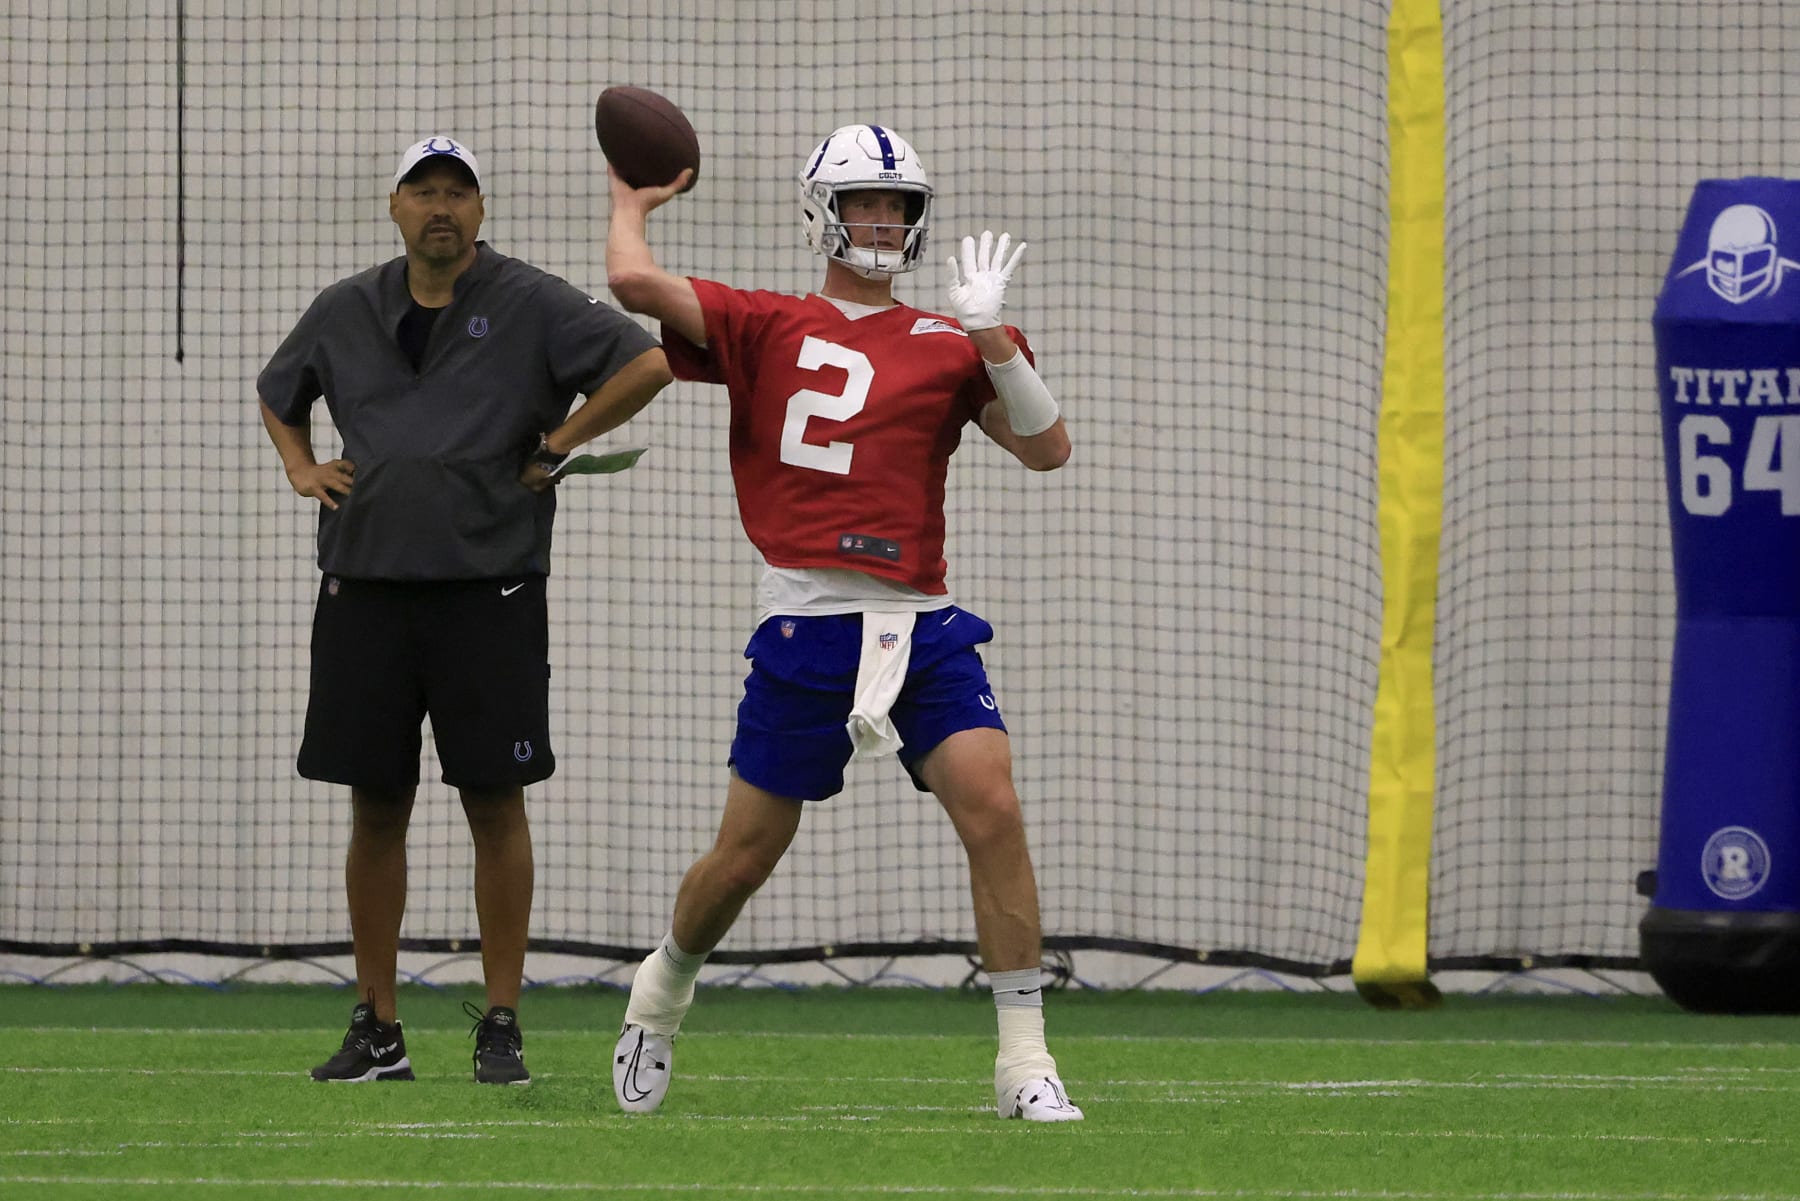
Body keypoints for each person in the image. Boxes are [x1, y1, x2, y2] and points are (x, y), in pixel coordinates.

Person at [604, 123, 1082, 1121]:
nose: (882, 221)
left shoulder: (953, 342)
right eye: (865, 202)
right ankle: (660, 991)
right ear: (825, 211)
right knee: (743, 859)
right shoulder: (767, 321)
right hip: (806, 625)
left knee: (992, 806)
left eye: (897, 205)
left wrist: (992, 335)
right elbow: (635, 286)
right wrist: (631, 205)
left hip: (922, 624)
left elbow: (1048, 450)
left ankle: (1025, 1062)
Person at [258, 135, 673, 1085]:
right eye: (423, 191)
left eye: (458, 192)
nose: (441, 207)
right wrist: (300, 466)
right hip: (365, 586)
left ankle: (501, 1019)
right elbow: (280, 393)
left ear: (480, 213)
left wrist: (560, 440)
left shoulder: (529, 300)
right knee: (376, 804)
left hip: (492, 589)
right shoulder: (345, 307)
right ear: (395, 208)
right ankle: (378, 1027)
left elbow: (645, 365)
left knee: (495, 799)